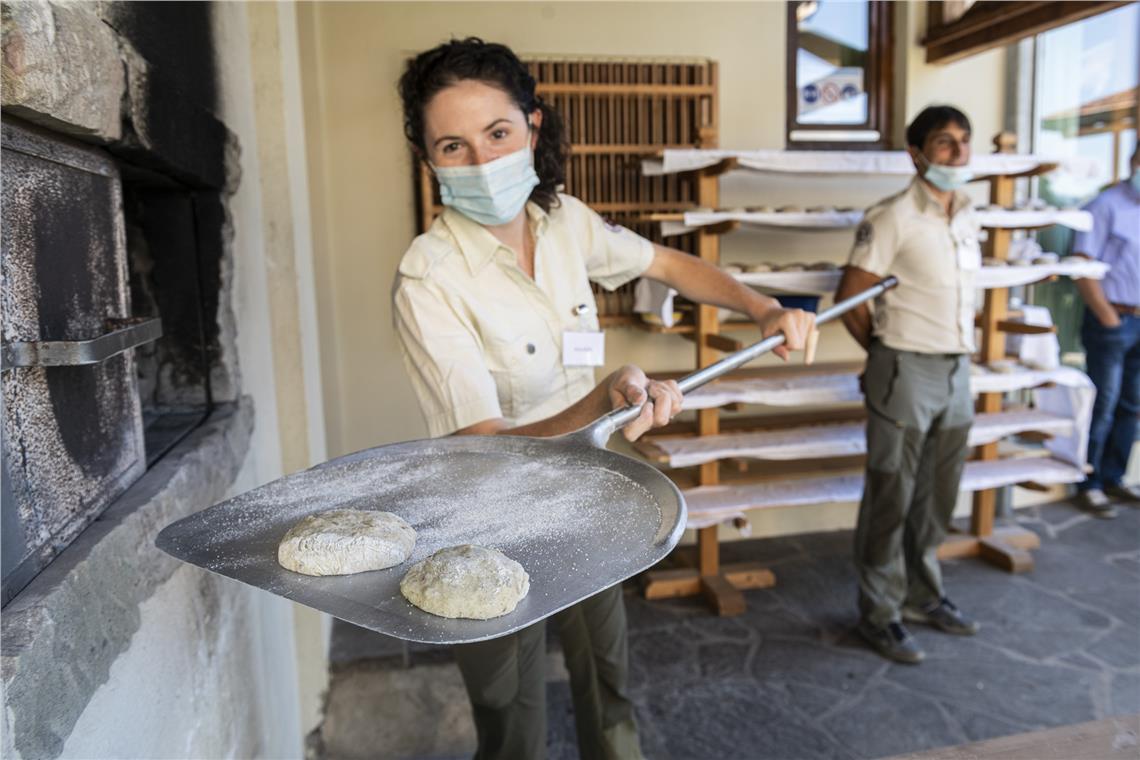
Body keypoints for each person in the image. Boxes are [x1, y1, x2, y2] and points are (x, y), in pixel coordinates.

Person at [393, 38, 815, 760]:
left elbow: (667, 262)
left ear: (533, 126)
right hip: (487, 515)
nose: (483, 161)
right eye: (454, 146)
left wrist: (762, 306)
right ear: (428, 160)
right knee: (509, 709)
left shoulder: (565, 223)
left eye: (498, 133)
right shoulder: (428, 280)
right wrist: (602, 402)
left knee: (607, 674)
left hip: (586, 494)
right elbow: (481, 444)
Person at [835, 105, 982, 665]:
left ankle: (923, 595)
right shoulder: (893, 215)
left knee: (938, 494)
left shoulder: (967, 213)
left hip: (956, 367)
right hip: (905, 366)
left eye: (964, 141)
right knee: (891, 493)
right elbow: (851, 296)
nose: (958, 152)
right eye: (945, 142)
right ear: (916, 155)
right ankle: (879, 613)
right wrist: (882, 354)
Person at [1069, 147, 1140, 520]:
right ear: (1134, 163)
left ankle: (1114, 477)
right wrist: (1108, 317)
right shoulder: (1104, 206)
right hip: (1112, 320)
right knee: (1103, 404)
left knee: (1131, 405)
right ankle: (1089, 482)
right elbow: (1081, 266)